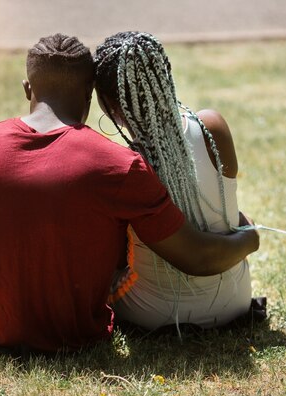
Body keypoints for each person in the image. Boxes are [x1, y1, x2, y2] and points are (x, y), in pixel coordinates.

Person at [0, 33, 259, 353]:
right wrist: (250, 235)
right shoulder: (119, 166)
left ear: (27, 87)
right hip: (77, 329)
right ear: (88, 96)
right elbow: (191, 254)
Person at [94, 31, 255, 331]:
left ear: (108, 105)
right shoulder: (212, 128)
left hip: (156, 315)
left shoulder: (124, 166)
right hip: (237, 300)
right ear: (166, 78)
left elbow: (114, 257)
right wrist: (249, 235)